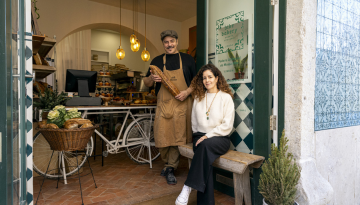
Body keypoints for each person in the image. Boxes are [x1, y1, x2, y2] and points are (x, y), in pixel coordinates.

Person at [175, 64, 235, 205]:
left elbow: (227, 125)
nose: (207, 80)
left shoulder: (226, 98)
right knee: (204, 153)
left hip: (220, 138)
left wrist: (209, 135)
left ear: (217, 78)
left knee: (204, 146)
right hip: (200, 137)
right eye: (204, 78)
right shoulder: (198, 97)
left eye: (210, 77)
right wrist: (199, 136)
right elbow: (194, 123)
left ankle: (187, 187)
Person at [143, 30, 196, 185]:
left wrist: (186, 92)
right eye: (166, 42)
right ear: (163, 44)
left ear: (177, 42)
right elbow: (146, 83)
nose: (169, 44)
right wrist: (151, 78)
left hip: (182, 104)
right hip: (164, 104)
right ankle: (168, 164)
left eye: (172, 41)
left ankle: (170, 167)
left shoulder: (187, 59)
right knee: (161, 136)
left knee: (177, 138)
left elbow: (195, 82)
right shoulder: (157, 61)